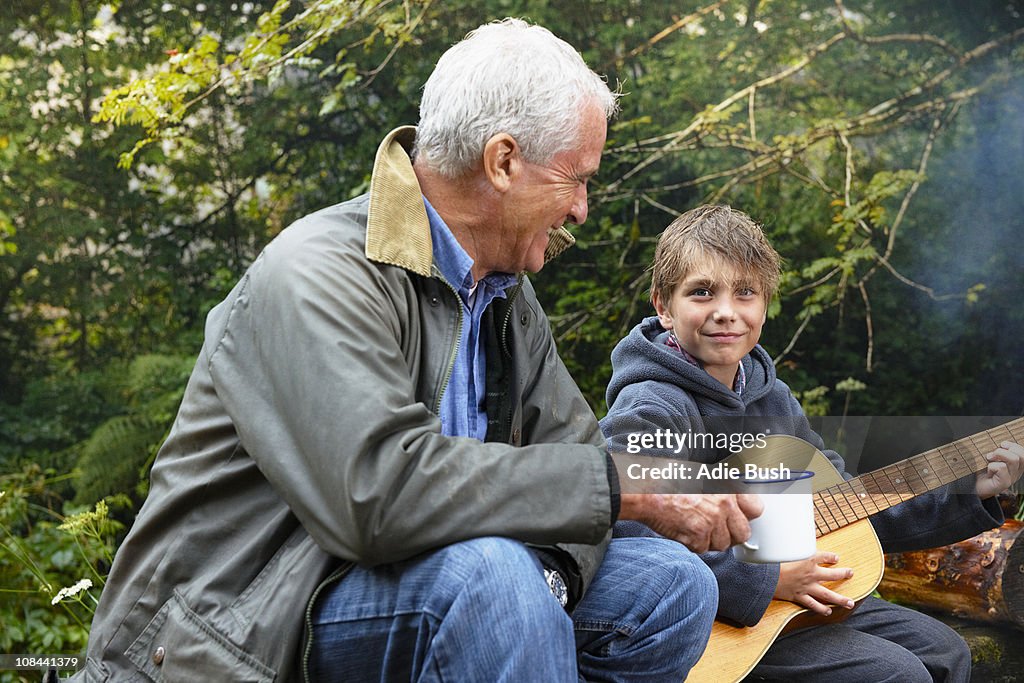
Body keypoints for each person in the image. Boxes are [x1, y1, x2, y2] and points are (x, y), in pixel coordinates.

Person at [72, 20, 763, 682]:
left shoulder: (509, 300)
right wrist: (613, 496)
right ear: (503, 161)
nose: (582, 207)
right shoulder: (314, 273)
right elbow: (379, 494)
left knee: (669, 587)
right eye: (576, 178)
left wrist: (550, 572)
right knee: (491, 580)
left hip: (434, 587)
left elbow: (575, 461)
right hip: (254, 625)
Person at [599, 204, 1024, 682]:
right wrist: (768, 580)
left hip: (793, 607)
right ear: (663, 304)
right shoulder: (651, 404)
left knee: (945, 652)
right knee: (897, 674)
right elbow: (627, 526)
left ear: (765, 303)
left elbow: (849, 506)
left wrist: (972, 487)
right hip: (717, 621)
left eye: (745, 293)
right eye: (701, 292)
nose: (725, 312)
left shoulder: (773, 398)